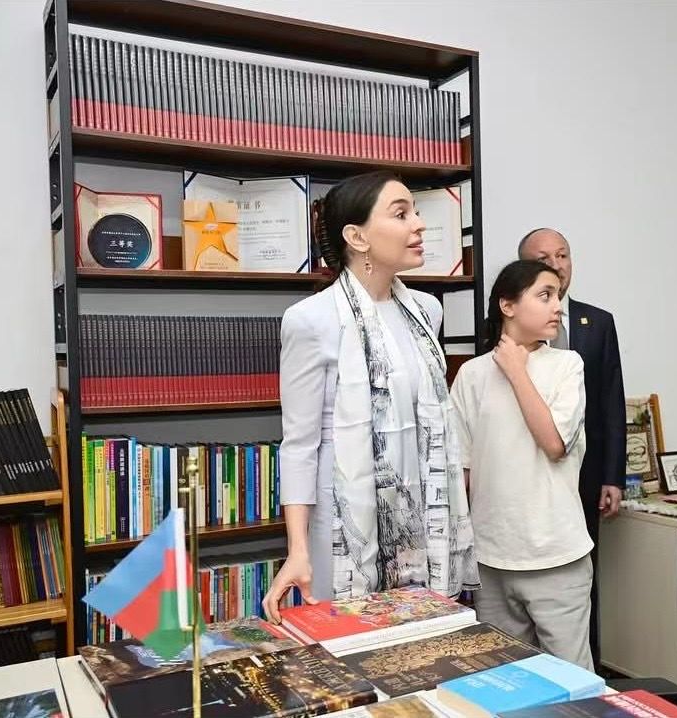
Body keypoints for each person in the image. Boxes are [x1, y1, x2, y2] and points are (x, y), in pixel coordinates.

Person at [262, 171, 478, 623]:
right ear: (357, 237)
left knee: (423, 648)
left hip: (425, 518)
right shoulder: (310, 320)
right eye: (401, 214)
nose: (419, 224)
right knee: (354, 646)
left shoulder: (426, 311)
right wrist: (298, 550)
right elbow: (299, 445)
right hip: (346, 527)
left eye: (415, 211)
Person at [450, 259, 594, 670]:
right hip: (492, 558)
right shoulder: (472, 375)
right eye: (544, 295)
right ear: (507, 305)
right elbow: (460, 471)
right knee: (503, 678)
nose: (557, 306)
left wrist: (516, 371)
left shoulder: (567, 365)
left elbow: (554, 444)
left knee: (570, 680)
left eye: (558, 296)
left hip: (555, 555)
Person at [518, 227, 625, 665]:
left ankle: (588, 669)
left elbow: (611, 403)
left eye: (562, 256)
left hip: (585, 475)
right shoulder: (512, 325)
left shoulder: (596, 322)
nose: (556, 265)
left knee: (583, 576)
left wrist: (613, 477)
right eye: (543, 258)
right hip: (529, 475)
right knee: (534, 581)